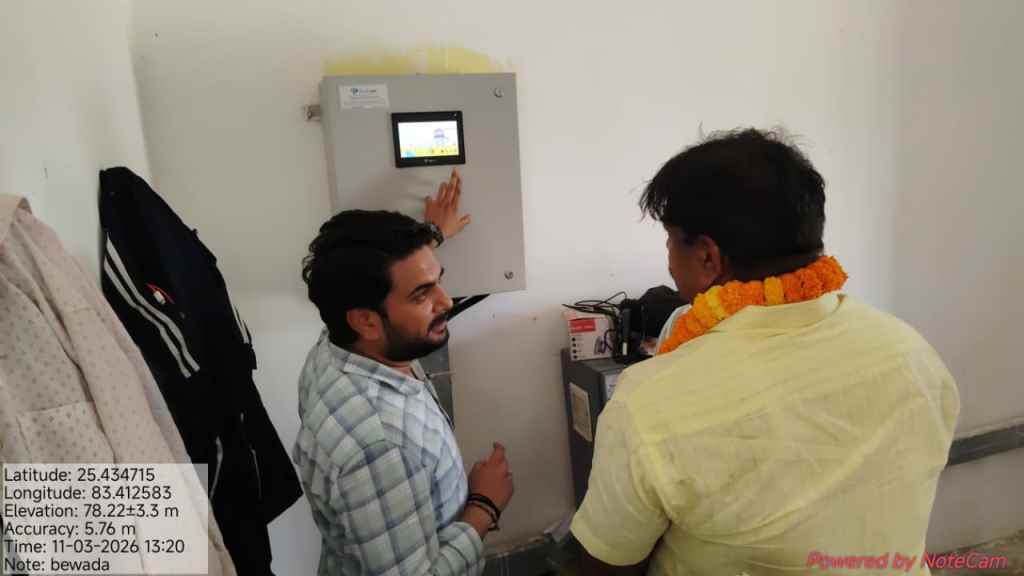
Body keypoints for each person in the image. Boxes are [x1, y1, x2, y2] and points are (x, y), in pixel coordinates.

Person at [571, 129, 960, 575]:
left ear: (708, 258)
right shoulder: (912, 352)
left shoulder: (648, 404)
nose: (667, 256)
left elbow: (607, 564)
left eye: (670, 239)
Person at [294, 170, 513, 575]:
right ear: (366, 321)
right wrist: (485, 506)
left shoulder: (337, 348)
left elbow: (394, 278)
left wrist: (432, 235)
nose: (446, 302)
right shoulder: (378, 447)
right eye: (422, 294)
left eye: (437, 281)